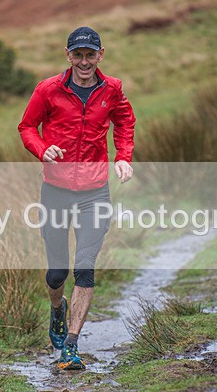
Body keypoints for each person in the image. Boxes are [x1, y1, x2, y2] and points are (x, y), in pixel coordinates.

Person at [18, 26, 136, 371]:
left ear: (101, 55)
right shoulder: (48, 90)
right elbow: (26, 127)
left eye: (90, 54)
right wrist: (43, 150)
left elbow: (124, 122)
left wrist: (124, 156)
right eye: (78, 55)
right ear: (68, 56)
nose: (84, 61)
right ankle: (57, 309)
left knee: (85, 267)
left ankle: (71, 345)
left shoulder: (112, 89)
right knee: (57, 272)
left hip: (94, 191)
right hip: (55, 191)